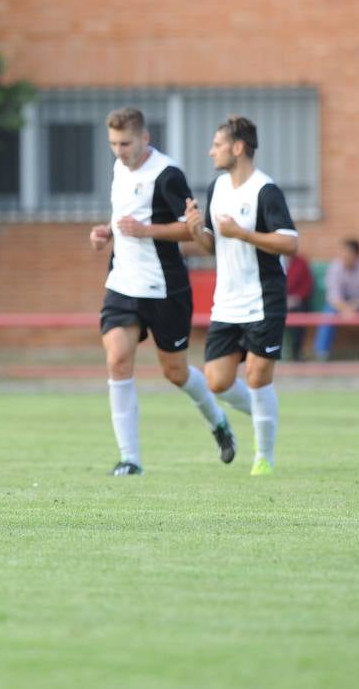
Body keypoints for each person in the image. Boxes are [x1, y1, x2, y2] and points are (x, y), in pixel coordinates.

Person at [87, 107, 235, 476]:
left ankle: (218, 422)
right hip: (123, 283)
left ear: (144, 139)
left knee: (175, 372)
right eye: (113, 144)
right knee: (117, 359)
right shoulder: (119, 168)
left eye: (125, 143)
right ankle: (130, 459)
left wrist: (145, 231)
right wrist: (107, 232)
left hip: (165, 287)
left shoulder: (167, 175)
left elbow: (193, 230)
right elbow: (126, 216)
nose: (119, 151)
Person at [185, 115, 298, 477]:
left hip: (264, 298)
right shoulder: (216, 188)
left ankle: (263, 456)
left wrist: (244, 233)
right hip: (228, 302)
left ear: (238, 147)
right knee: (216, 381)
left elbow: (291, 243)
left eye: (217, 144)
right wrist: (194, 230)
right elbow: (212, 246)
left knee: (257, 377)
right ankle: (267, 411)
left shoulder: (266, 191)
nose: (211, 151)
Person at [313, 238, 359, 362]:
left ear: (357, 255)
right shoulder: (336, 266)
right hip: (342, 303)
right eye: (342, 253)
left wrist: (353, 307)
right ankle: (321, 353)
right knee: (329, 313)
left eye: (347, 254)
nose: (344, 257)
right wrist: (345, 308)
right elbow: (333, 296)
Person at [283, 252, 315, 361]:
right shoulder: (273, 261)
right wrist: (282, 300)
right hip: (278, 301)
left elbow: (307, 285)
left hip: (297, 302)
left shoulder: (301, 263)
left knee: (301, 313)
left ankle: (296, 352)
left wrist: (296, 298)